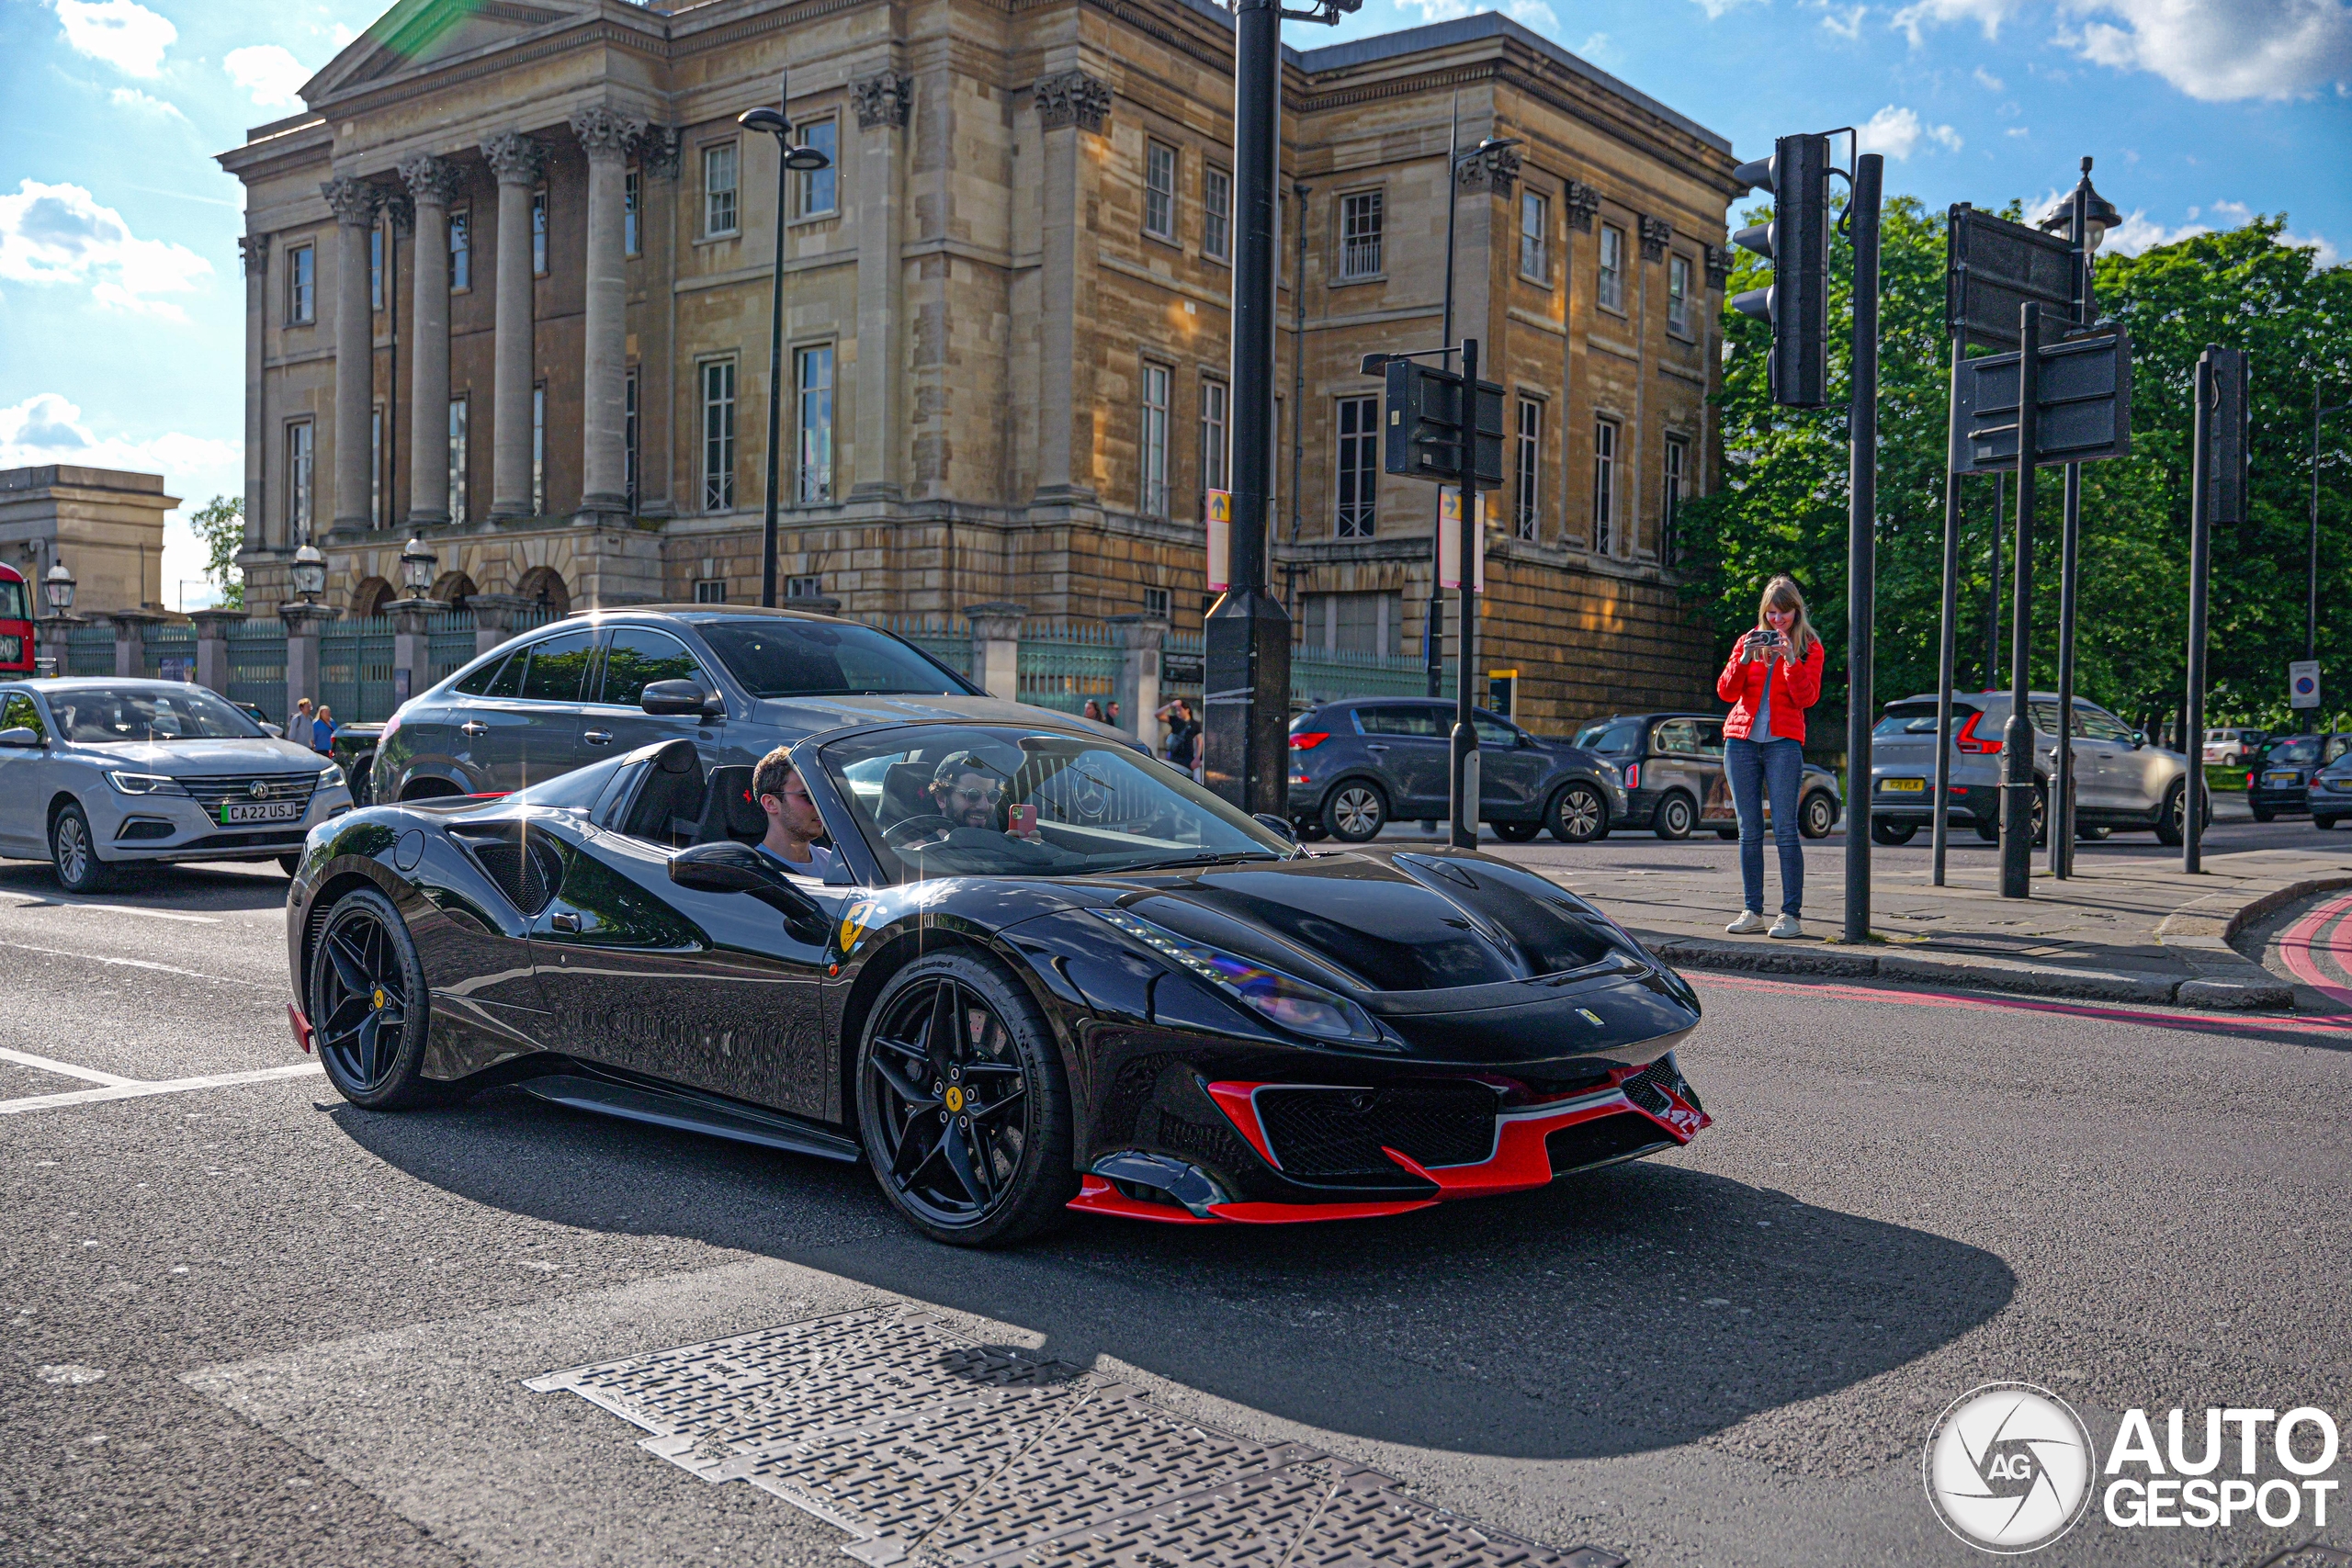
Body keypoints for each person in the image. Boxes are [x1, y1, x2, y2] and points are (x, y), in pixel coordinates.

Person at [1717, 574, 1824, 939]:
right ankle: (1752, 910)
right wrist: (1745, 657)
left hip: (1783, 743)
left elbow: (1807, 699)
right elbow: (1726, 691)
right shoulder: (1749, 640)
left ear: (1797, 611)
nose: (1778, 620)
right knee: (1748, 830)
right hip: (1741, 741)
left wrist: (1791, 659)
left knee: (1785, 830)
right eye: (1772, 613)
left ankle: (1790, 915)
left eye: (1785, 613)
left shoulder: (1809, 646)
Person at [751, 746, 838, 879]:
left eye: (821, 795)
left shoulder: (836, 864)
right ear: (771, 804)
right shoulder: (754, 874)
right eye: (808, 796)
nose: (820, 805)